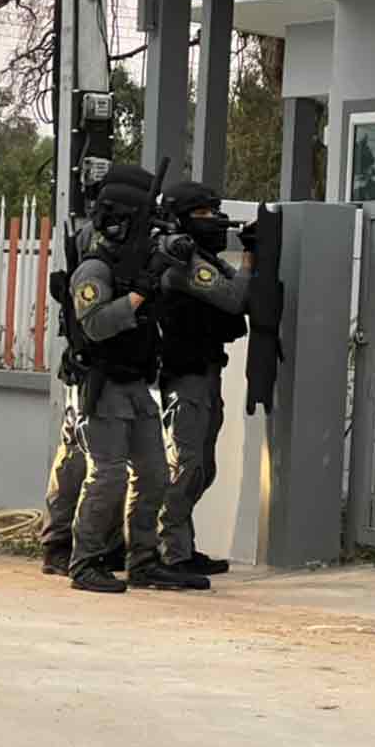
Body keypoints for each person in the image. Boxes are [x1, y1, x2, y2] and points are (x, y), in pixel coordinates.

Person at [67, 165, 207, 594]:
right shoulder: (94, 269)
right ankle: (84, 562)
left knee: (154, 475)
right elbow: (95, 325)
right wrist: (138, 294)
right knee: (107, 476)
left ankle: (144, 561)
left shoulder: (139, 263)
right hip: (104, 385)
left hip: (136, 384)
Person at [38, 169, 150, 577]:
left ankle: (107, 550)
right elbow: (96, 322)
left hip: (124, 372)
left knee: (82, 463)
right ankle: (72, 551)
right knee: (94, 469)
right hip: (96, 374)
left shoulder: (125, 247)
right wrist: (139, 294)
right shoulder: (95, 254)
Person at [154, 181, 252, 575]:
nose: (213, 220)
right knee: (188, 465)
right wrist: (251, 260)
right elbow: (234, 299)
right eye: (204, 214)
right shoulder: (181, 262)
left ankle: (179, 546)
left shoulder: (198, 255)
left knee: (201, 468)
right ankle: (167, 551)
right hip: (186, 376)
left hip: (205, 373)